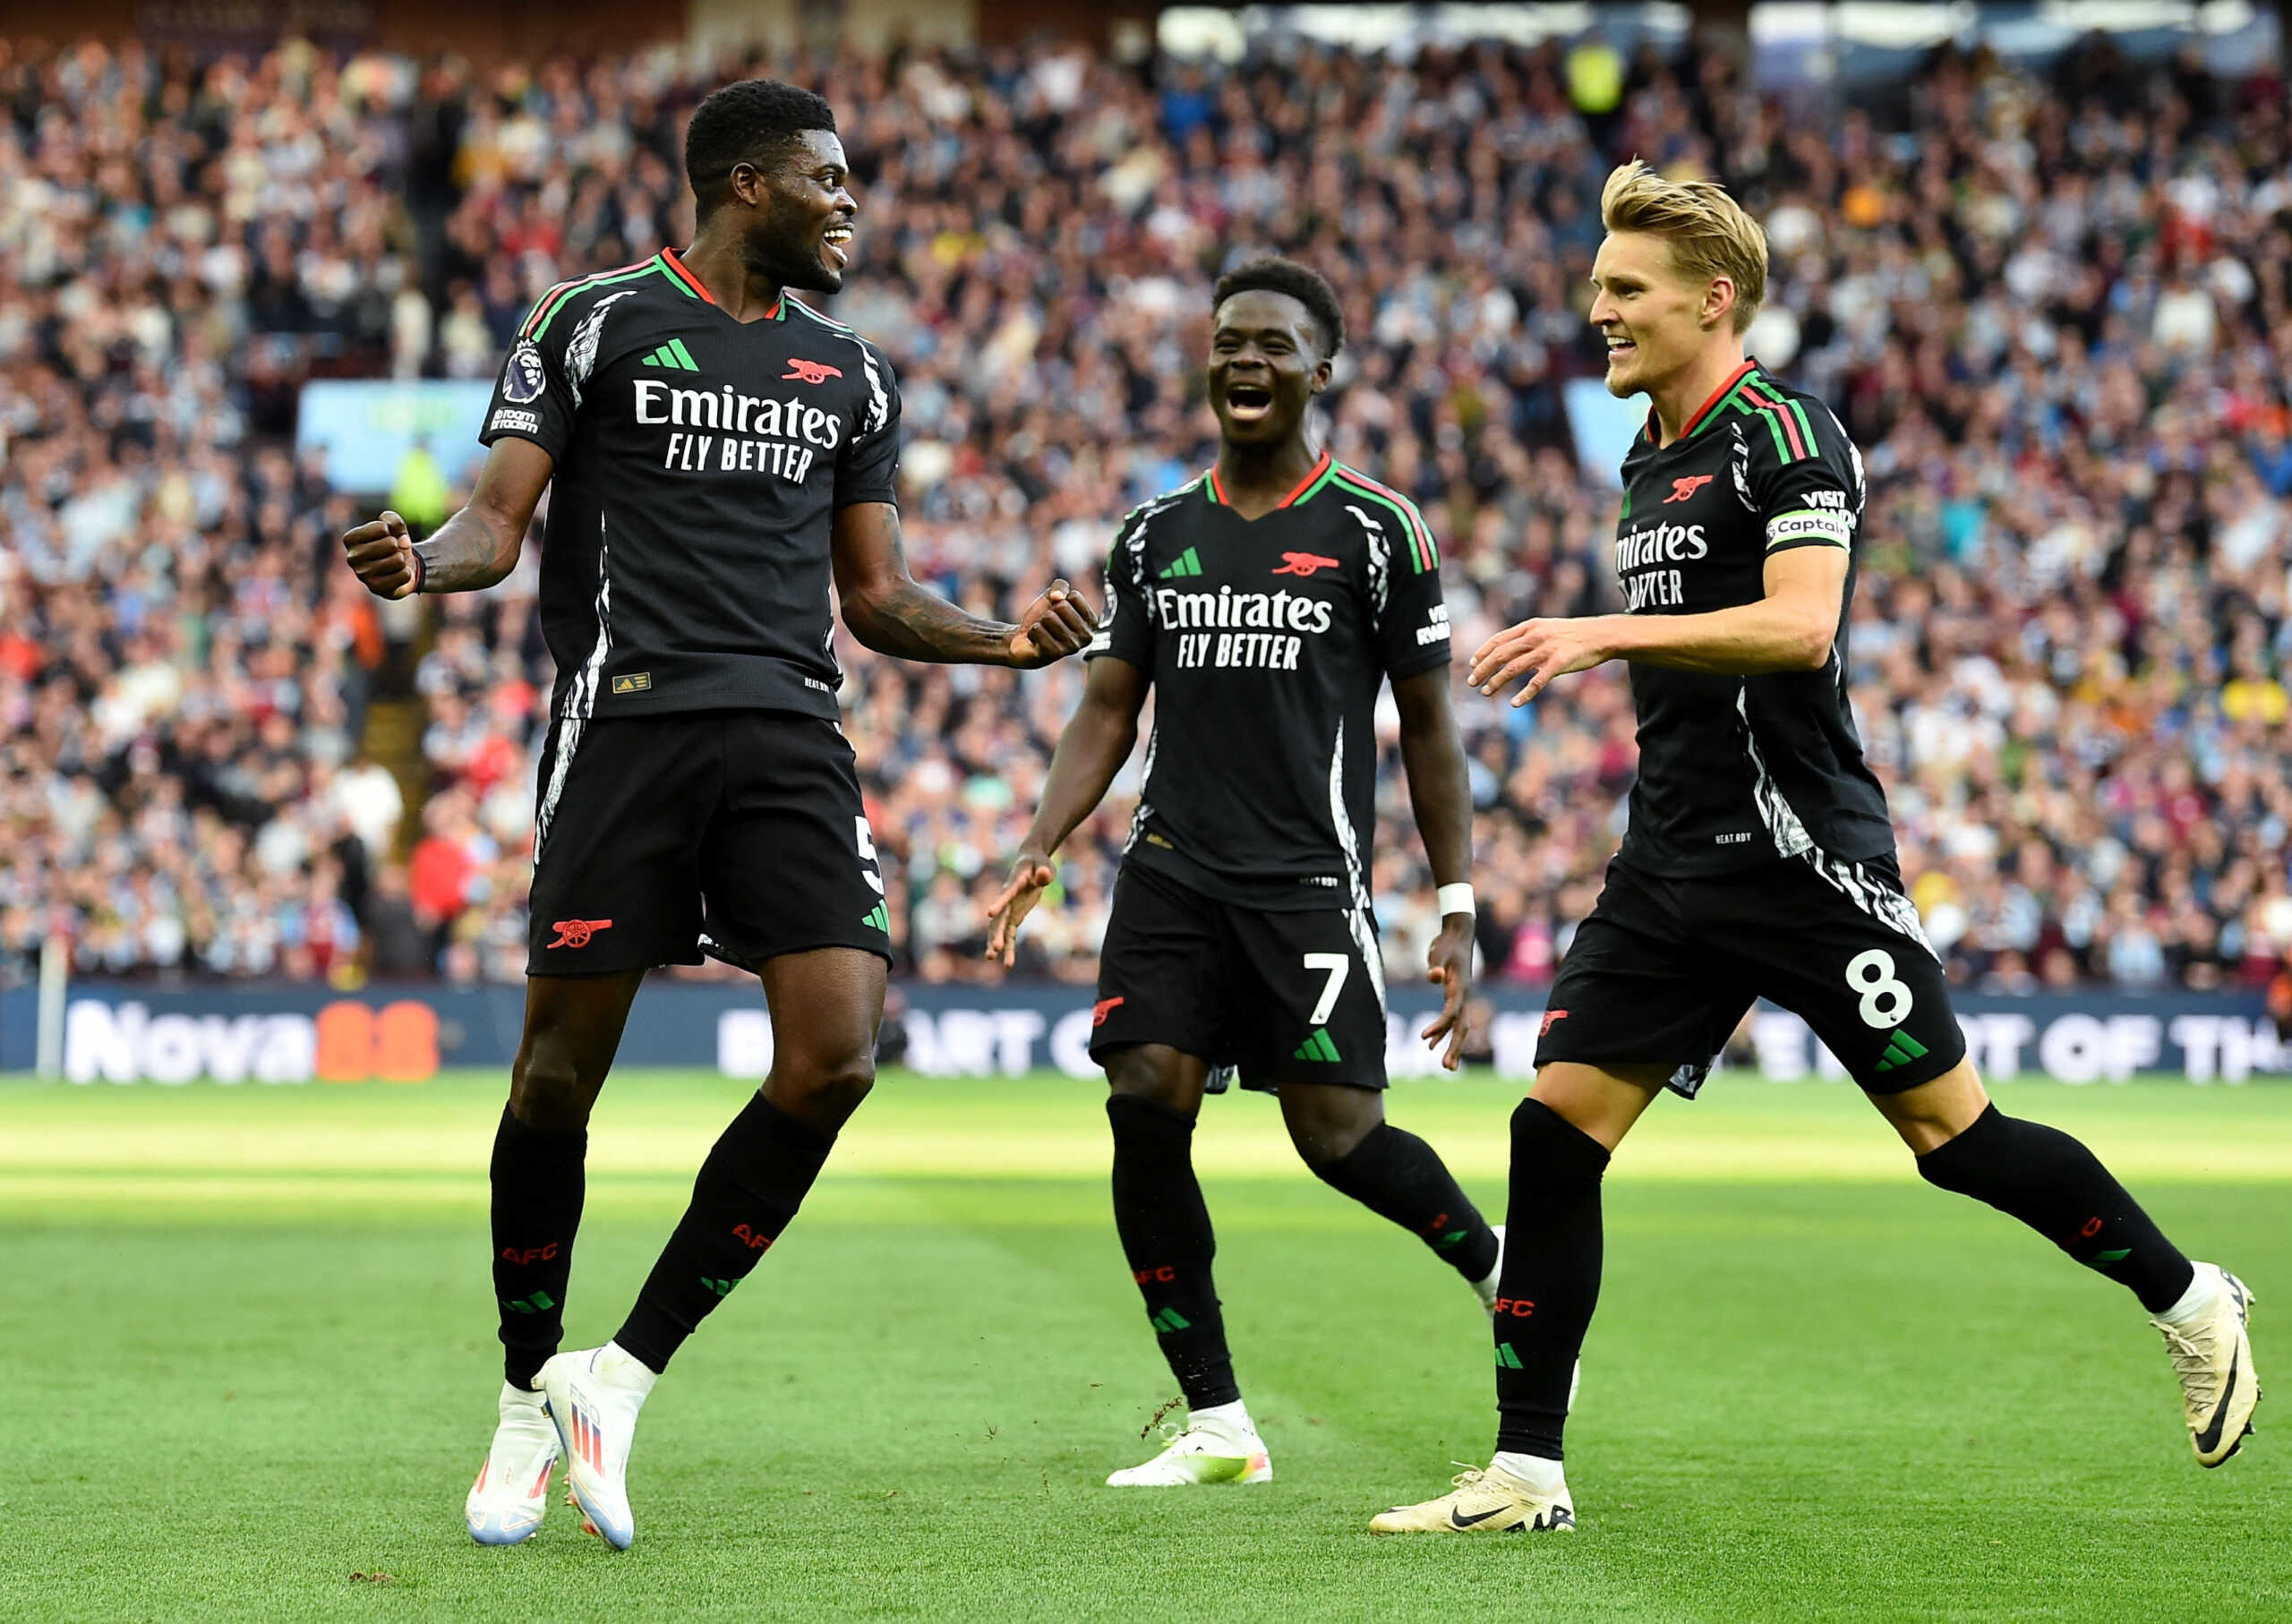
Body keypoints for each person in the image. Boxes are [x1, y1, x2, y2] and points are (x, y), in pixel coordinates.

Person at [1369, 162, 2258, 1537]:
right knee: (1550, 1135)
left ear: (1712, 299)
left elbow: (1800, 627)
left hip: (1799, 856)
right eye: (1599, 284)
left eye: (1625, 290)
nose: (1595, 309)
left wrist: (1600, 631)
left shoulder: (1787, 434)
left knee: (1953, 1140)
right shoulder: (1648, 457)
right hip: (1667, 864)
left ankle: (2190, 1294)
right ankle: (1526, 1471)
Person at [341, 80, 1096, 1551]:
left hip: (792, 734)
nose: (852, 203)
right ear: (745, 185)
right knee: (556, 1081)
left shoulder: (854, 376)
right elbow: (497, 524)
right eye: (829, 178)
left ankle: (615, 1379)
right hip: (626, 723)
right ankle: (520, 1398)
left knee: (835, 1056)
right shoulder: (595, 319)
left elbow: (875, 598)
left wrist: (1003, 640)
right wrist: (422, 565)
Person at [985, 258, 1501, 1488]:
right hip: (1170, 874)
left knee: (1337, 1136)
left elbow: (1429, 726)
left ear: (1320, 372)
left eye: (1273, 345)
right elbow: (1109, 705)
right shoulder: (1154, 535)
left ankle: (1499, 1269)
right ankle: (1218, 1417)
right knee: (1142, 1095)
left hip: (1308, 885)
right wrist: (1039, 843)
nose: (1245, 363)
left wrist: (1457, 901)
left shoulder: (1379, 532)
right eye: (1229, 344)